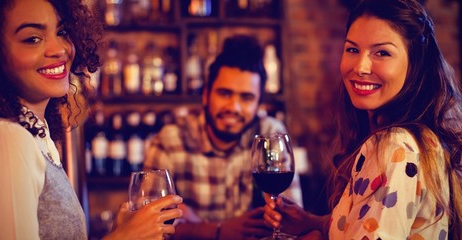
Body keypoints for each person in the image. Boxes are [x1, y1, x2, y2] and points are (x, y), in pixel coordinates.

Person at [0, 0, 182, 239]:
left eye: (62, 32)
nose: (59, 49)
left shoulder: (31, 135)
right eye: (32, 38)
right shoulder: (7, 139)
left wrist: (119, 232)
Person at [263, 0, 462, 239]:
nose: (361, 67)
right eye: (353, 49)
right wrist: (314, 223)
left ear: (415, 65)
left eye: (382, 53)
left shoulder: (395, 146)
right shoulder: (420, 138)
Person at [143, 35, 303, 239]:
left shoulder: (270, 135)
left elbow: (292, 225)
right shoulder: (170, 141)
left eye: (246, 98)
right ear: (206, 95)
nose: (233, 107)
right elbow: (149, 229)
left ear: (258, 104)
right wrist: (218, 231)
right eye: (225, 93)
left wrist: (193, 225)